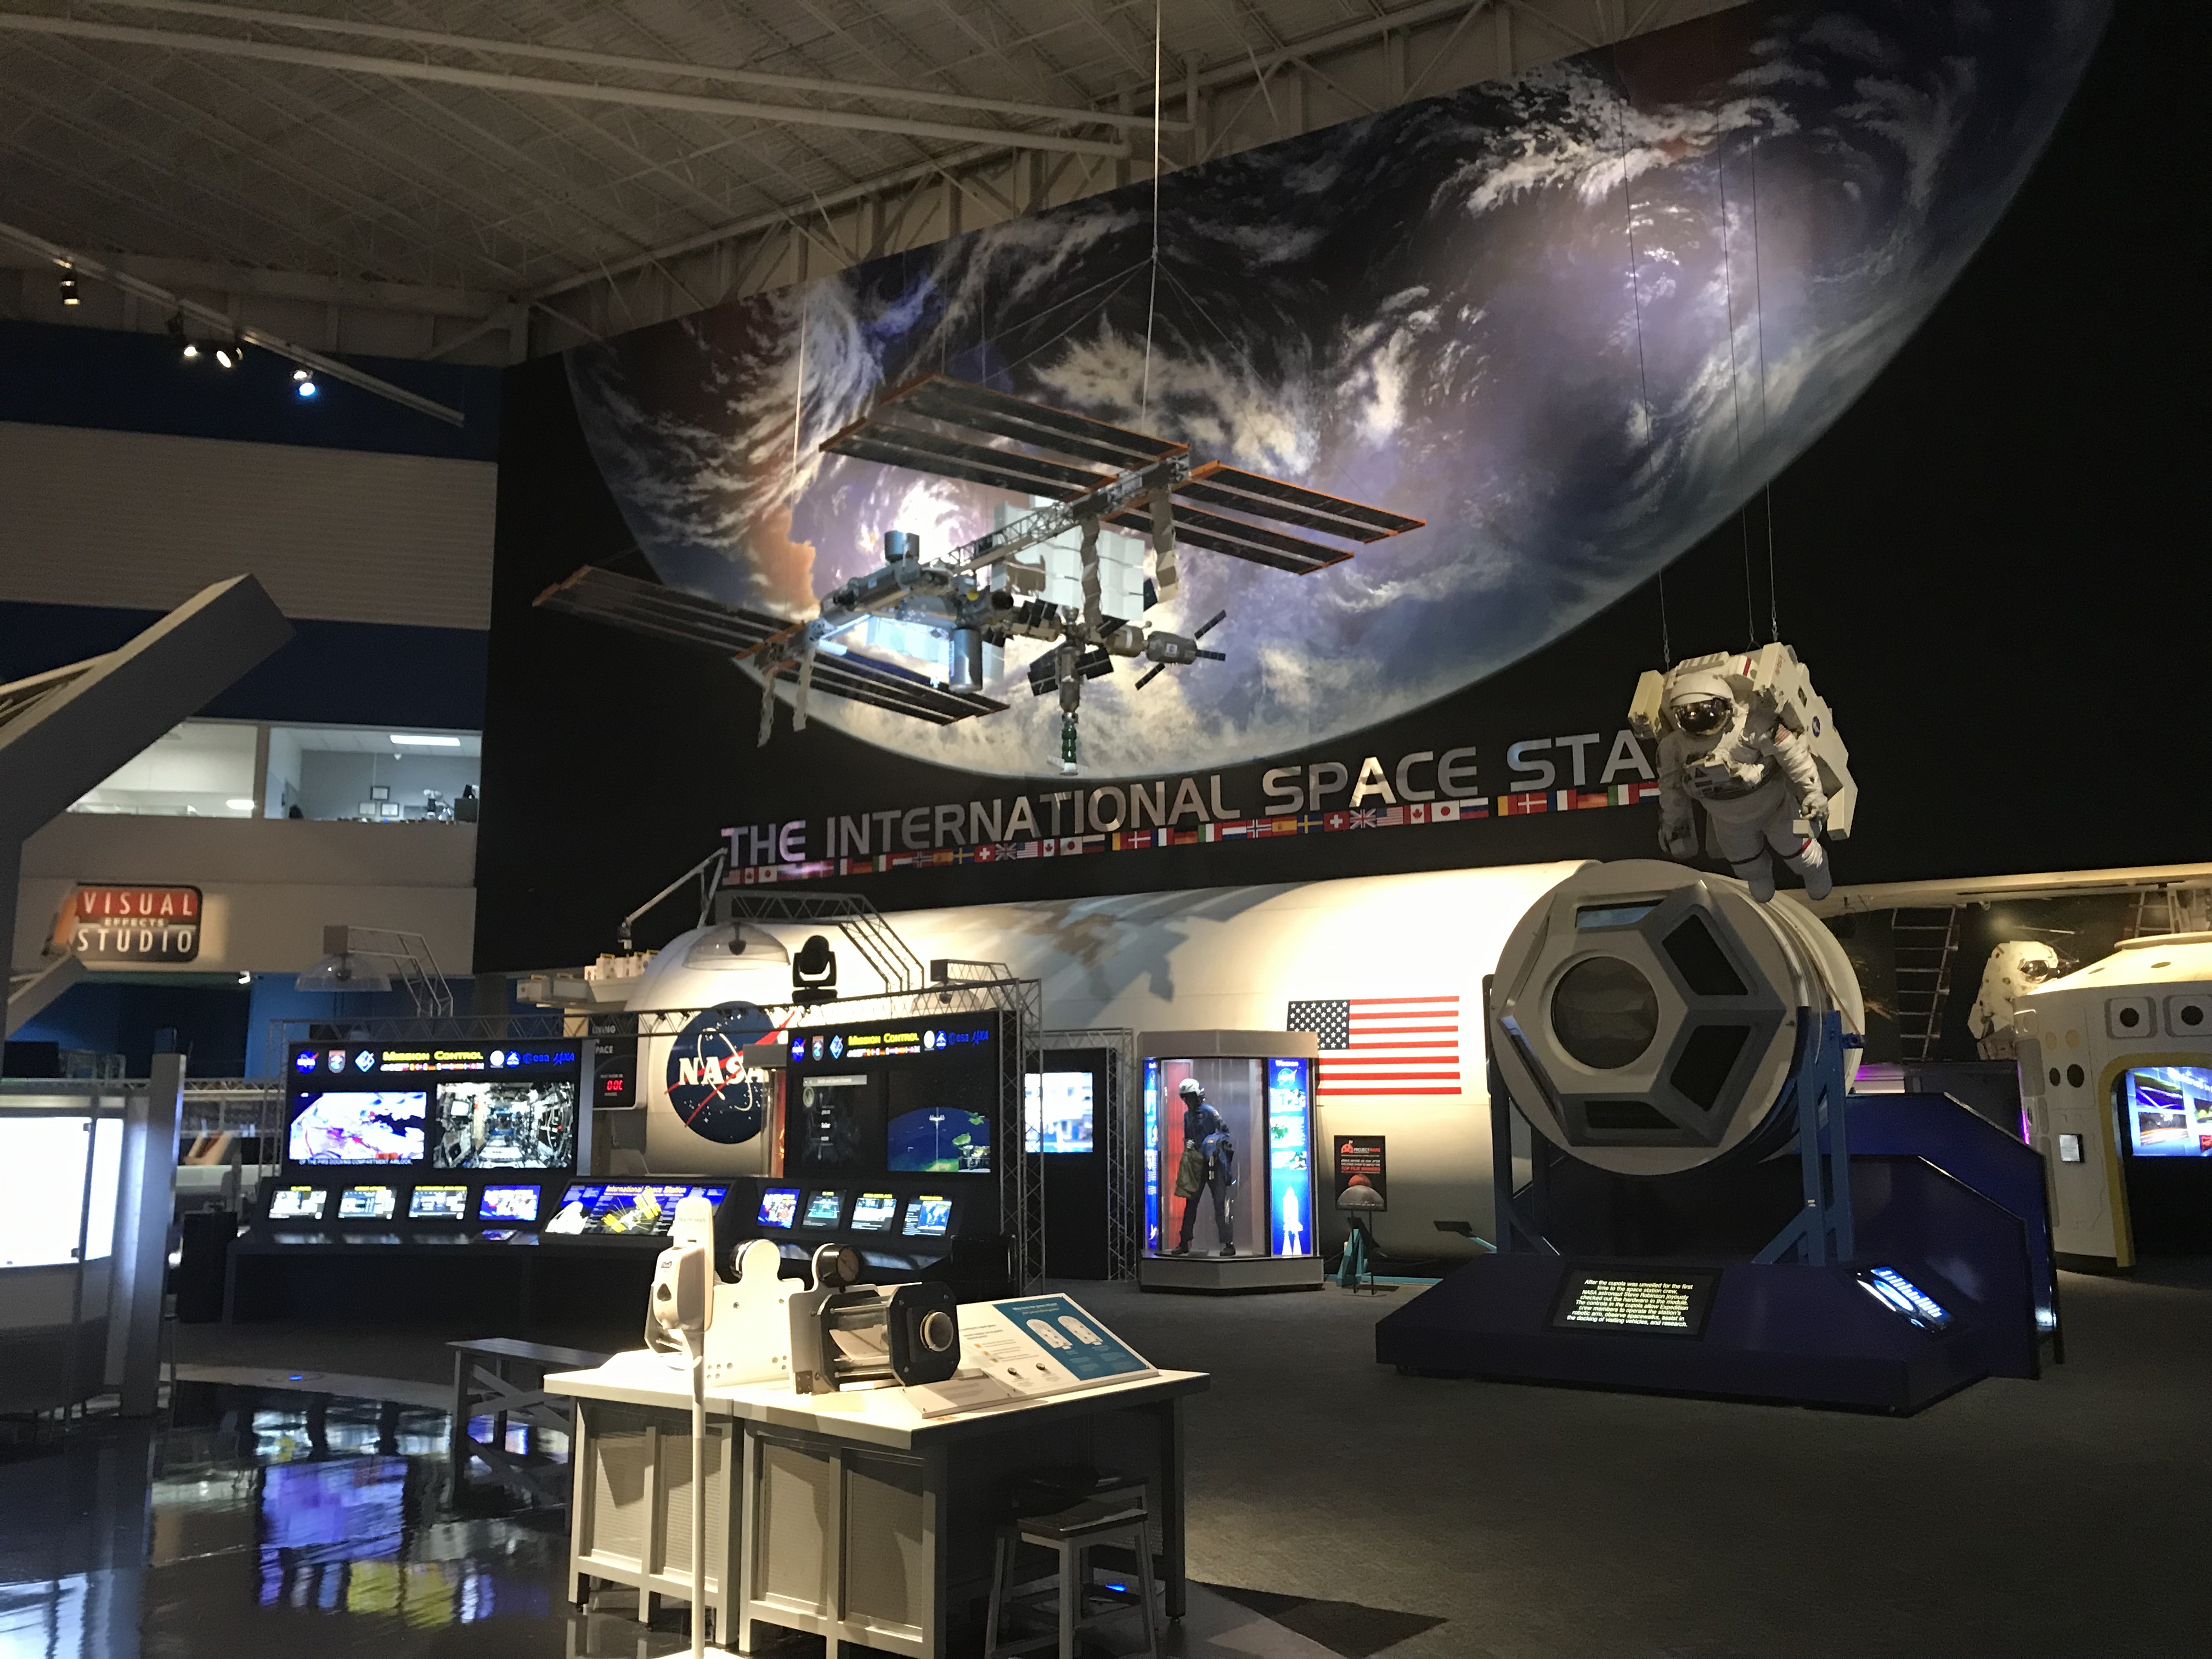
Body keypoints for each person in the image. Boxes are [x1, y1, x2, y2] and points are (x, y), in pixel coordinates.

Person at [1656, 668, 1832, 903]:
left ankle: (1816, 873)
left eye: (1707, 713)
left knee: (1802, 855)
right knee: (1746, 866)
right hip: (1729, 822)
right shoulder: (1673, 748)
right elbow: (1671, 789)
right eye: (1690, 715)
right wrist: (1673, 822)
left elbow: (1795, 757)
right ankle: (1759, 878)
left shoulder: (1752, 726)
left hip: (1776, 808)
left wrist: (1813, 794)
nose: (1699, 721)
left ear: (1726, 706)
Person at [1167, 1077, 1235, 1256]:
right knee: (1191, 1203)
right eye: (1184, 1097)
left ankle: (1228, 1244)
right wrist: (1188, 1143)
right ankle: (1184, 1242)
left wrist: (1211, 1142)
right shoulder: (1186, 1116)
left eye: (1189, 1097)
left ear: (1198, 1096)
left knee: (1220, 1203)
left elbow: (1225, 1132)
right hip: (1197, 1163)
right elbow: (1188, 1136)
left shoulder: (1210, 1112)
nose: (1187, 1101)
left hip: (1214, 1163)